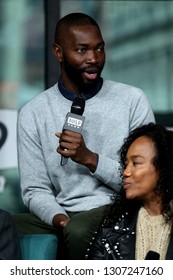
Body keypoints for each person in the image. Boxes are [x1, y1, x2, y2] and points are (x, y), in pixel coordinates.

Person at [14, 12, 155, 260]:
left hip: (117, 208)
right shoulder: (33, 113)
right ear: (58, 53)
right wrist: (59, 219)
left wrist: (90, 159)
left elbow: (149, 179)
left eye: (99, 49)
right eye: (82, 50)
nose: (94, 58)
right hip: (63, 213)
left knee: (79, 231)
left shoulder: (132, 100)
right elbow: (35, 190)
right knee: (6, 224)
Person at [86, 123, 173, 260]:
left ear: (163, 166)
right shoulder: (111, 227)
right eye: (126, 164)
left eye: (136, 163)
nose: (125, 172)